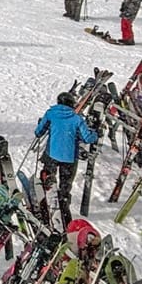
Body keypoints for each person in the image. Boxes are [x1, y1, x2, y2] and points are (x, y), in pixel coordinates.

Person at [34, 92, 97, 227]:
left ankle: (44, 207)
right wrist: (95, 134)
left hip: (51, 154)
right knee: (64, 188)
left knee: (48, 182)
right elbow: (87, 138)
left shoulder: (51, 113)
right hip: (69, 158)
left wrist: (42, 125)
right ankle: (63, 213)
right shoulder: (76, 119)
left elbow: (38, 132)